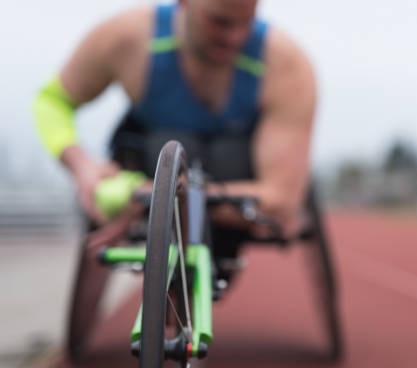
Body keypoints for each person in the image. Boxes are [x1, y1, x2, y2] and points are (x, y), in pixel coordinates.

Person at [33, 0, 316, 238]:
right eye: (219, 21)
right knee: (168, 147)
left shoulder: (286, 67)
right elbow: (53, 100)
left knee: (226, 155)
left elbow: (282, 199)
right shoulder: (128, 37)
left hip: (229, 183)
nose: (235, 38)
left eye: (246, 23)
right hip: (155, 165)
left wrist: (174, 195)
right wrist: (81, 166)